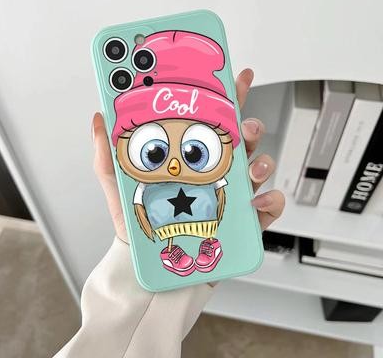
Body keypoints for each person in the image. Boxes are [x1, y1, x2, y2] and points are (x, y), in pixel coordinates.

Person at [54, 69, 285, 358]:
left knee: (208, 218)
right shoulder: (147, 188)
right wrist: (141, 247)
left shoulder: (211, 177)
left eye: (195, 151)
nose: (175, 166)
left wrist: (136, 260)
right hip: (161, 234)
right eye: (153, 153)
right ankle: (177, 249)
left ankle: (204, 244)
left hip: (197, 223)